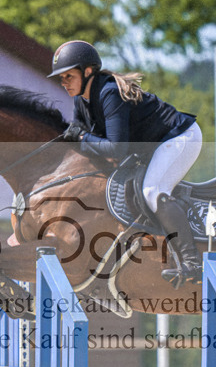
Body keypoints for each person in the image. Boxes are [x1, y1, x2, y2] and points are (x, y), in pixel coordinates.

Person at [49, 40, 204, 287]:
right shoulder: (82, 99)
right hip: (151, 147)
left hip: (180, 138)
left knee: (153, 191)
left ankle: (192, 262)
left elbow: (115, 149)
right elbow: (82, 141)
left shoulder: (108, 93)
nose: (64, 82)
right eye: (61, 78)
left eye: (69, 75)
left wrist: (81, 137)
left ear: (88, 71)